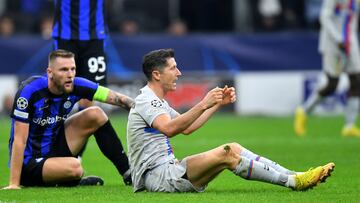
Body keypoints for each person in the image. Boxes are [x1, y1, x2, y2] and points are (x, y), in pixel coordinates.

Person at [126, 48, 335, 193]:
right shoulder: (146, 100)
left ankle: (296, 175)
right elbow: (169, 129)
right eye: (173, 68)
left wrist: (216, 104)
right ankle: (293, 182)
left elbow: (188, 128)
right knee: (227, 154)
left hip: (167, 170)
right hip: (156, 177)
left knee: (233, 147)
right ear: (157, 74)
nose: (179, 73)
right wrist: (203, 103)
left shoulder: (157, 102)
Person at [3, 50, 132, 189]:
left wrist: (144, 109)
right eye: (64, 70)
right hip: (29, 161)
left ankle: (129, 174)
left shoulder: (76, 85)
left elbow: (119, 99)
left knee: (95, 114)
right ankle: (66, 180)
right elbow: (19, 139)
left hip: (54, 147)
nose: (70, 74)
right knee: (75, 168)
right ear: (50, 72)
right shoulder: (29, 92)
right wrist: (14, 184)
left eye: (73, 69)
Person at [52, 0, 110, 161]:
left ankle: (75, 157)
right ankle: (50, 149)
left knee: (88, 98)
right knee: (59, 91)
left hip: (95, 37)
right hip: (65, 36)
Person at [294, 0, 360, 137]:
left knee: (356, 80)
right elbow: (324, 17)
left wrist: (350, 40)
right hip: (332, 43)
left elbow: (352, 19)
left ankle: (349, 126)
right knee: (332, 84)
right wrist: (338, 38)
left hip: (350, 41)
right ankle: (304, 110)